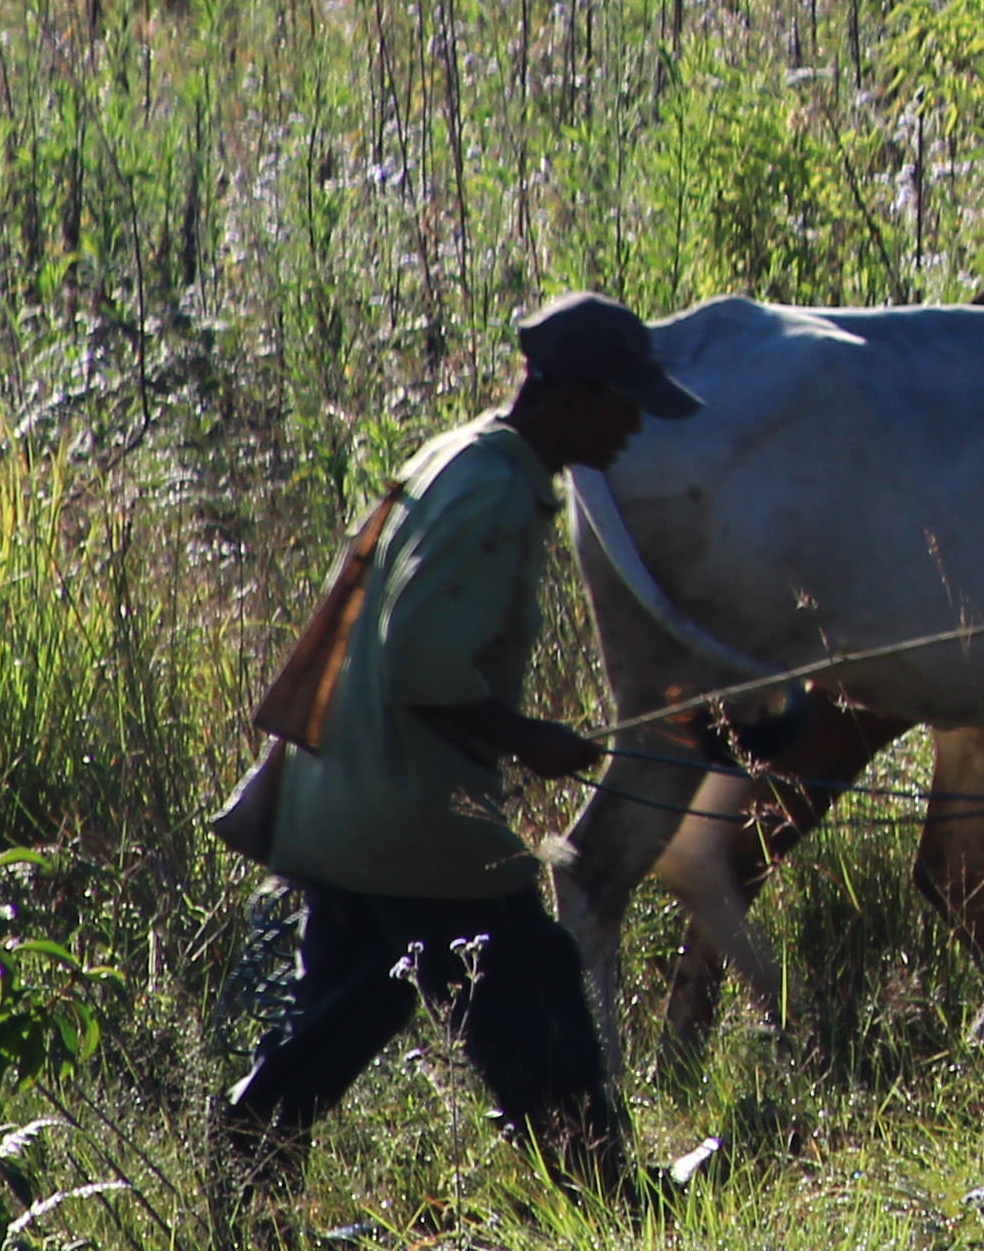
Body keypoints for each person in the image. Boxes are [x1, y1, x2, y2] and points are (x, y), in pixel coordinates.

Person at [209, 292, 696, 1202]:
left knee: (352, 1006)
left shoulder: (463, 456)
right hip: (413, 818)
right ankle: (606, 1196)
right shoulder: (497, 496)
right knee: (532, 979)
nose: (634, 426)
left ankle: (246, 1182)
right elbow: (424, 666)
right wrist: (532, 743)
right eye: (623, 403)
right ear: (571, 399)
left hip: (346, 800)